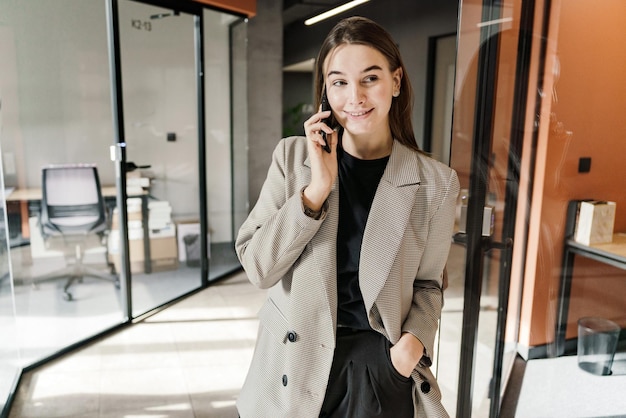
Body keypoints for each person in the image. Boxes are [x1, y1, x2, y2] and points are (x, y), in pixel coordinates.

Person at [235, 16, 459, 418]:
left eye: (369, 78)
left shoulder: (435, 183)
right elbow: (258, 269)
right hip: (295, 359)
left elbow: (429, 284)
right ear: (325, 92)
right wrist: (314, 192)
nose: (353, 96)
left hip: (381, 363)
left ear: (395, 81)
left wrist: (410, 346)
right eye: (339, 82)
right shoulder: (292, 159)